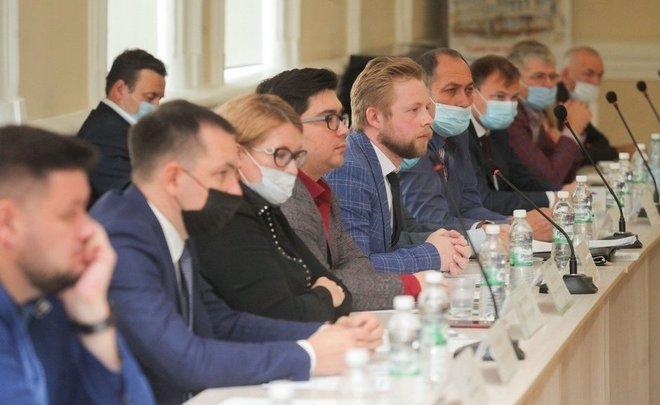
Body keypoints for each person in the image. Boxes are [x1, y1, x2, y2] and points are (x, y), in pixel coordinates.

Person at [90, 99, 382, 404]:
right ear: (174, 178)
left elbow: (221, 322)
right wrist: (308, 355)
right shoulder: (122, 238)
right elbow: (186, 360)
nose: (234, 189)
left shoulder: (174, 219)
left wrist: (321, 334)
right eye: (222, 174)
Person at [0, 126, 154, 404]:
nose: (90, 230)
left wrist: (93, 315)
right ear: (7, 223)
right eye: (70, 214)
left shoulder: (53, 297)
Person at [257, 68, 433, 310]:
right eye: (329, 119)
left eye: (341, 118)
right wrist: (413, 286)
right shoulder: (286, 202)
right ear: (285, 129)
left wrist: (339, 280)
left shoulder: (322, 190)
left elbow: (359, 264)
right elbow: (319, 286)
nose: (344, 130)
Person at [194, 94, 351, 322]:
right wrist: (325, 295)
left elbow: (343, 293)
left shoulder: (267, 208)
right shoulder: (229, 217)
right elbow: (280, 315)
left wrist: (317, 297)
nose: (293, 170)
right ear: (238, 154)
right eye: (281, 155)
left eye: (296, 157)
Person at [325, 56, 470, 275]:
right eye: (413, 110)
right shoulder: (350, 168)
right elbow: (355, 267)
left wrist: (455, 244)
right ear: (375, 118)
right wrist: (432, 255)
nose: (428, 120)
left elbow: (402, 236)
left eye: (427, 108)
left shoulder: (383, 163)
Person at [398, 48, 512, 249]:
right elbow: (428, 219)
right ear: (423, 94)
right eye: (451, 90)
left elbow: (470, 206)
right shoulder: (415, 138)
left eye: (469, 90)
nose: (464, 101)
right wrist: (485, 230)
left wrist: (512, 225)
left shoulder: (459, 133)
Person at [467, 54, 557, 231]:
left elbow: (523, 178)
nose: (508, 105)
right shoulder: (461, 136)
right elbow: (484, 200)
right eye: (500, 97)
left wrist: (560, 196)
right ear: (472, 93)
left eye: (514, 98)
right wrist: (551, 198)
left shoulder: (498, 131)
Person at [78, 49, 167, 204]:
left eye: (159, 98)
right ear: (120, 90)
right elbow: (132, 199)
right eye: (150, 97)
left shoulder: (120, 128)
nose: (156, 106)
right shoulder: (104, 134)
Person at [507, 40, 588, 188]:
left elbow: (566, 175)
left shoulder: (540, 113)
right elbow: (548, 180)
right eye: (539, 76)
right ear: (514, 80)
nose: (549, 84)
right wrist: (572, 132)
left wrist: (566, 140)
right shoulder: (512, 116)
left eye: (552, 76)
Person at [558, 45, 635, 161]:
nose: (596, 81)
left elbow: (602, 142)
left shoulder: (575, 102)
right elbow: (568, 155)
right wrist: (618, 151)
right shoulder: (554, 103)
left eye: (600, 75)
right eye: (588, 74)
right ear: (565, 75)